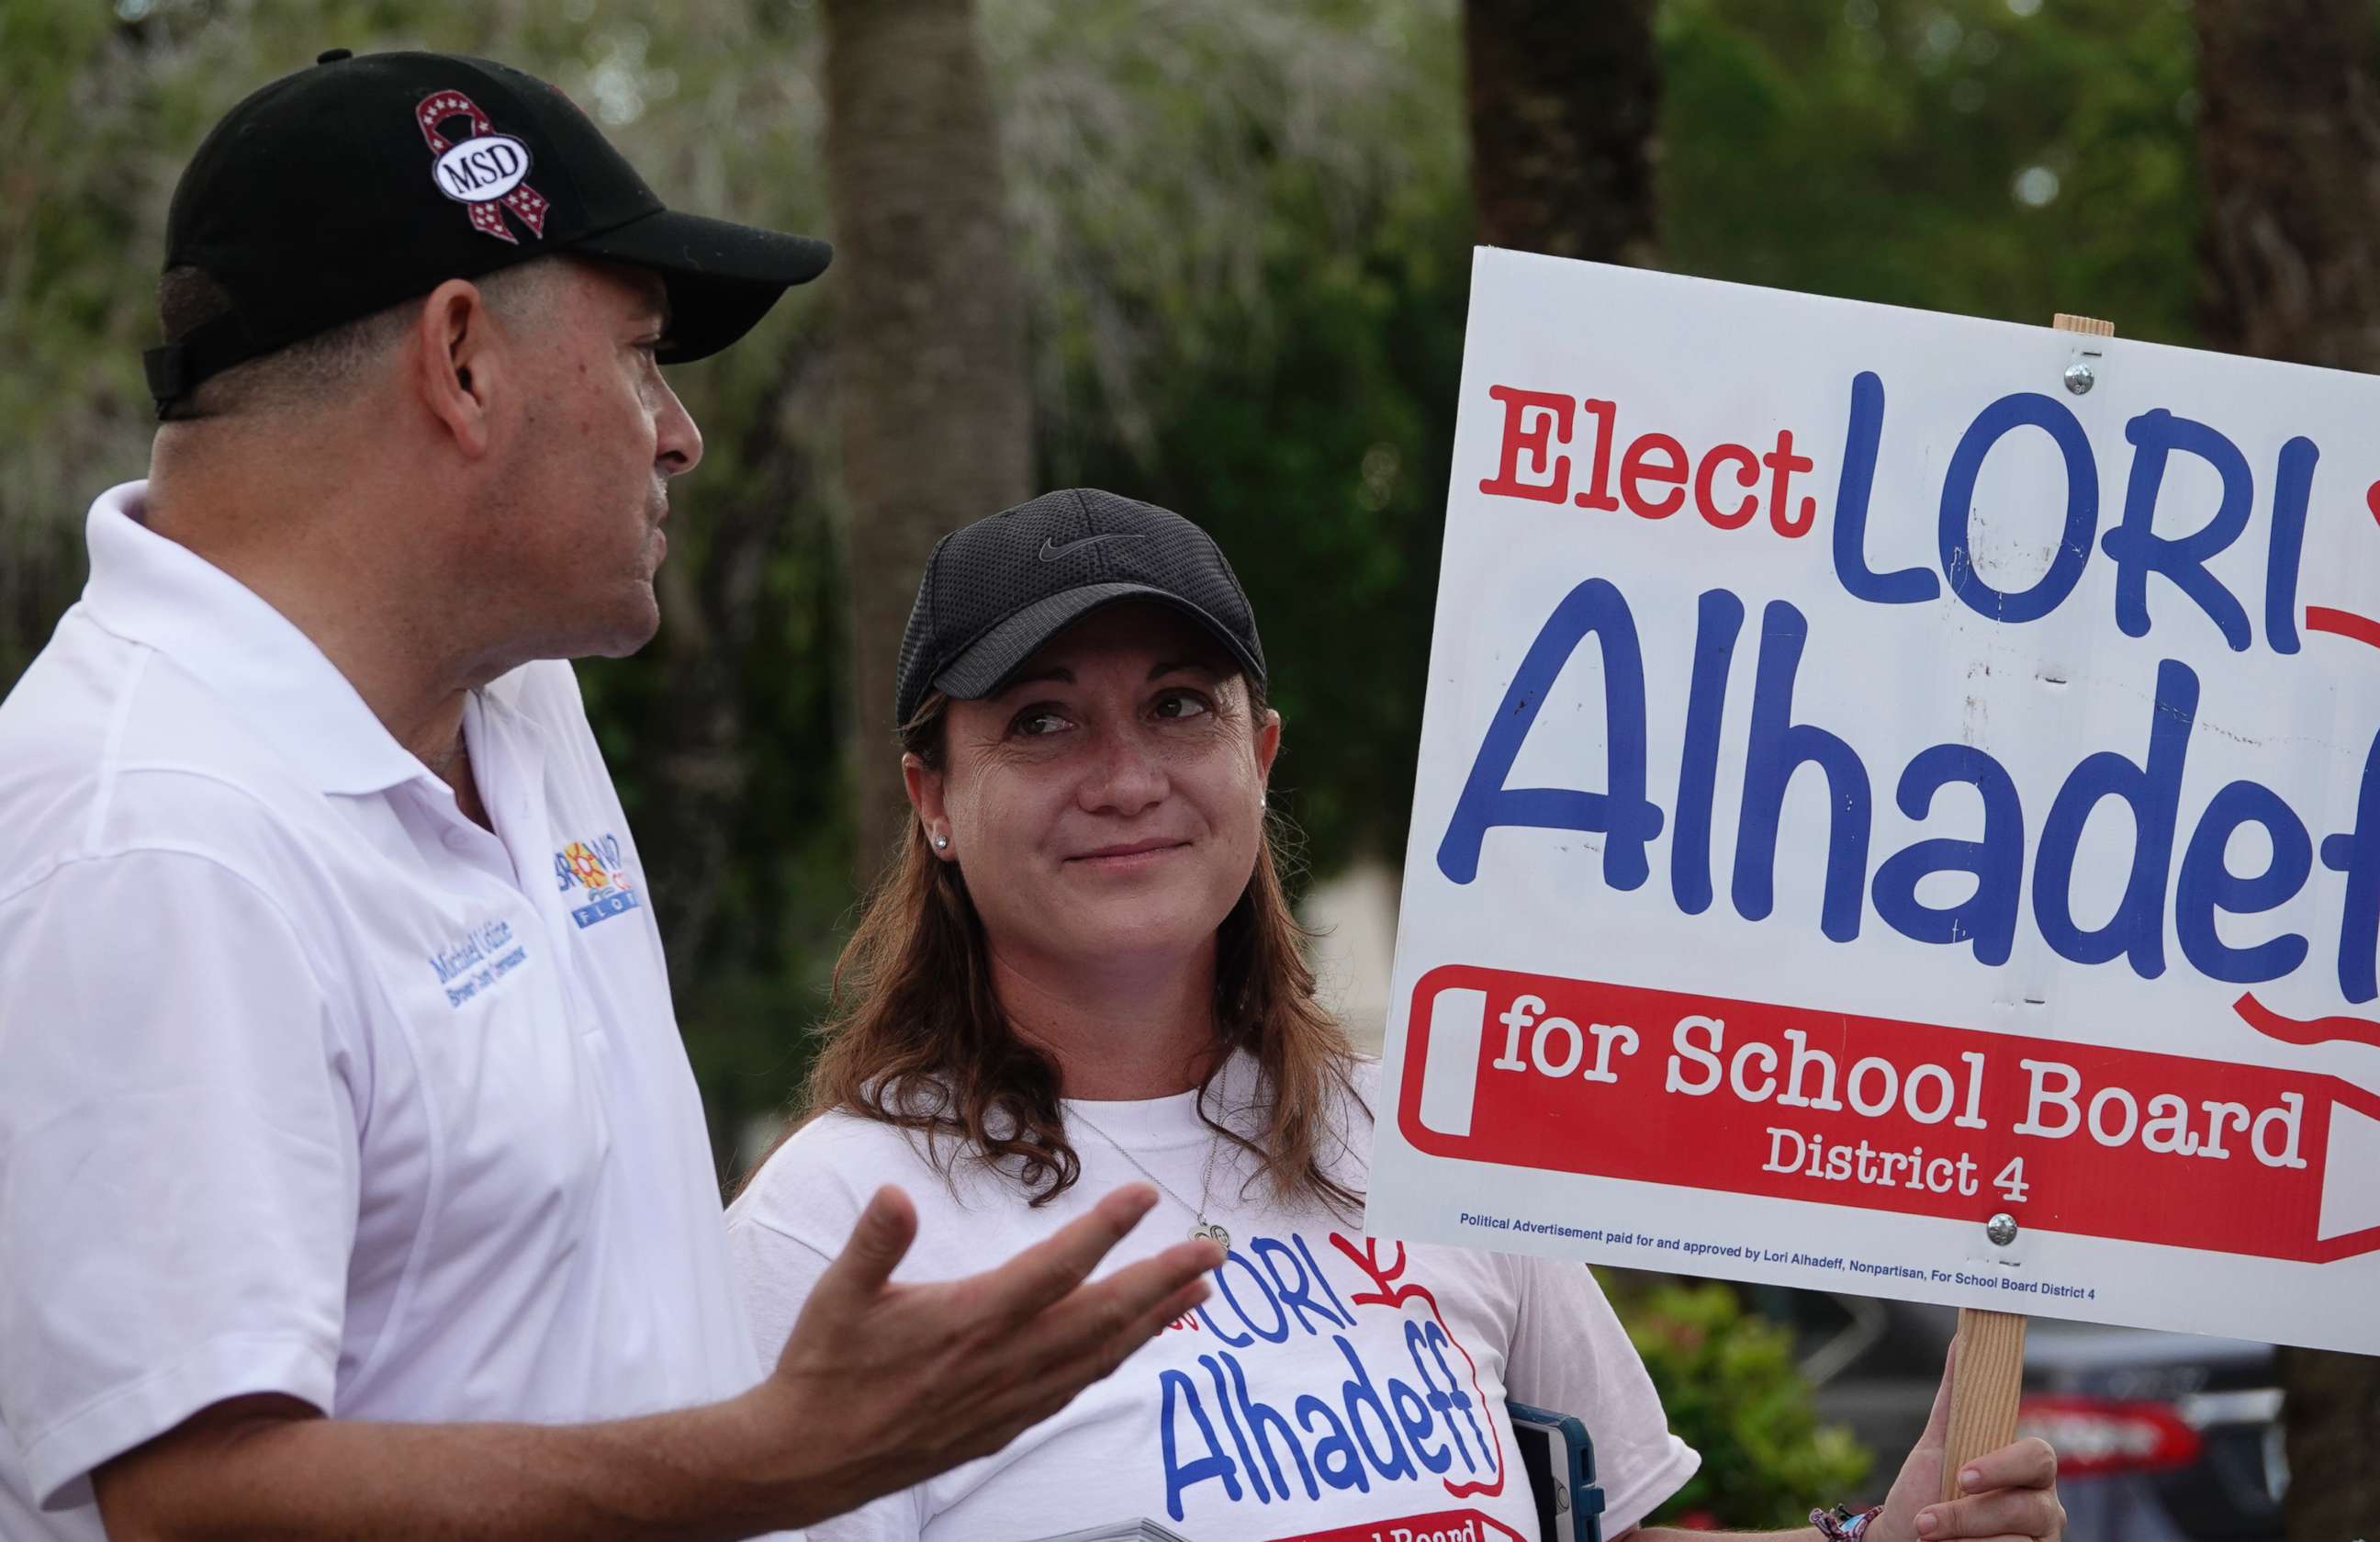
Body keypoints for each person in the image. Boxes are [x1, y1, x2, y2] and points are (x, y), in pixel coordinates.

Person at [0, 52, 1220, 1542]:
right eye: (642, 353)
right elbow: (196, 1500)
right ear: (461, 363)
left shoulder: (512, 697)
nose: (679, 431)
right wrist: (784, 1459)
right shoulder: (153, 832)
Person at [724, 487, 2069, 1542]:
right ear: (933, 803)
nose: (1126, 777)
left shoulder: (1430, 1140)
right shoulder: (831, 1224)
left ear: (1257, 758)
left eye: (1178, 707)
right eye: (1040, 722)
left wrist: (1880, 1541)